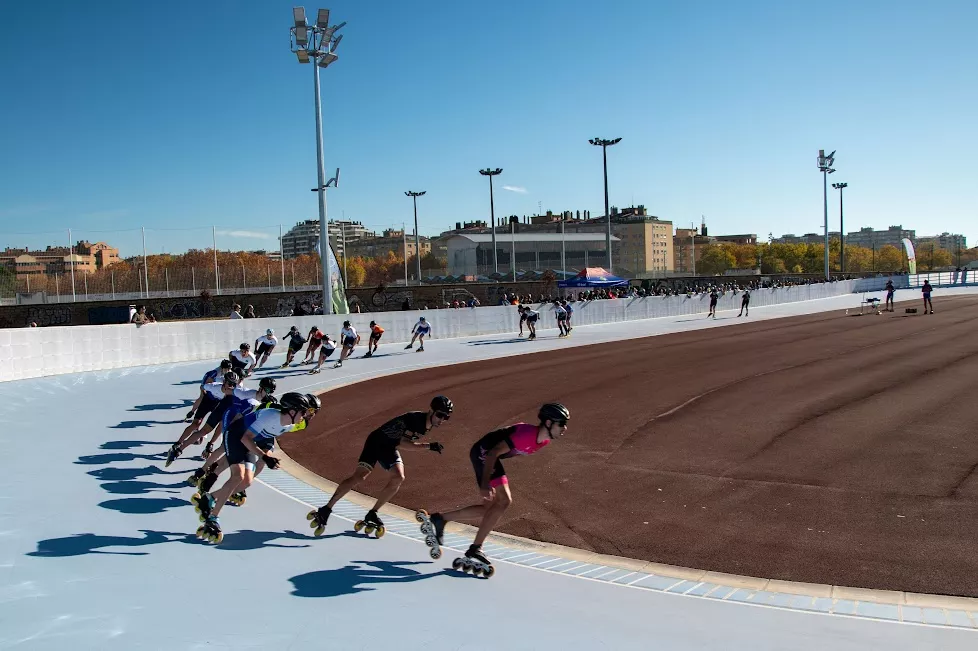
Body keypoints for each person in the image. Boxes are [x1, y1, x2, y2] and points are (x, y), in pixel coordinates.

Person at [417, 403, 570, 576]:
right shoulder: (527, 435)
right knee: (504, 500)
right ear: (549, 423)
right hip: (485, 453)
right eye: (561, 424)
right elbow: (492, 453)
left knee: (489, 508)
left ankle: (440, 519)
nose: (564, 428)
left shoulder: (543, 441)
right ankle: (475, 548)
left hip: (492, 456)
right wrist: (485, 483)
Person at [306, 395, 453, 537]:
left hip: (389, 446)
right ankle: (326, 509)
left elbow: (399, 442)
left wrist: (428, 446)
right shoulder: (417, 420)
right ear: (431, 411)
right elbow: (403, 443)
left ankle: (373, 513)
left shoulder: (427, 425)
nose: (442, 420)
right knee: (359, 477)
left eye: (446, 417)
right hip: (376, 442)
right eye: (440, 415)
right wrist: (428, 446)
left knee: (398, 477)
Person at [192, 392, 320, 543]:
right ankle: (213, 517)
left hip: (252, 439)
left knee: (246, 482)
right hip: (236, 436)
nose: (306, 415)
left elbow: (265, 436)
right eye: (305, 412)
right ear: (292, 411)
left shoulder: (292, 423)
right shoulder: (271, 415)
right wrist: (265, 457)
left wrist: (266, 454)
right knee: (237, 476)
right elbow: (246, 437)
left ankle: (210, 498)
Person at [165, 370, 241, 466]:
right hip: (216, 408)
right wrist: (201, 397)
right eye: (229, 383)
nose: (232, 387)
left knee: (223, 429)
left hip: (227, 413)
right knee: (203, 431)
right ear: (224, 382)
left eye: (234, 384)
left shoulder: (239, 391)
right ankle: (178, 450)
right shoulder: (214, 386)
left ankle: (210, 446)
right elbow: (202, 386)